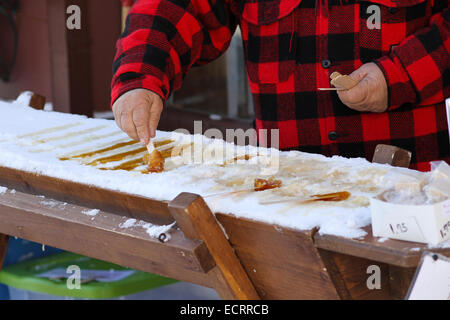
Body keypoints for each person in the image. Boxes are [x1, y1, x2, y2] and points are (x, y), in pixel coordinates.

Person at [111, 0, 449, 171]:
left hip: (411, 193)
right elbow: (178, 7)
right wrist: (139, 77)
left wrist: (398, 78)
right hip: (284, 193)